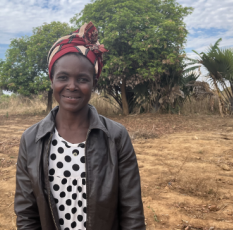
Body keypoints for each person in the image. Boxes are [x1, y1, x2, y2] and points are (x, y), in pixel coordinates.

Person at [14, 22, 146, 230]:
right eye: (63, 77)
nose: (72, 86)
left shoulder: (116, 137)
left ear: (94, 83)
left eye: (82, 79)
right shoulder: (31, 140)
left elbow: (132, 212)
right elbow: (26, 214)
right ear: (51, 79)